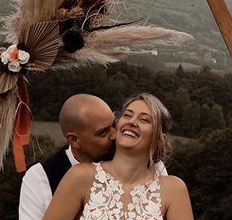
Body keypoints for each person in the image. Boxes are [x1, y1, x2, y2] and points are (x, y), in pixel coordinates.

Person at [42, 93, 193, 220]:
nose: (132, 122)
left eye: (144, 119)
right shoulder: (80, 176)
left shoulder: (174, 190)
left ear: (160, 139)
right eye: (127, 115)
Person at [19, 94, 117, 220]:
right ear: (74, 139)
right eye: (103, 132)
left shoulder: (128, 161)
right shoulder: (41, 177)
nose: (114, 135)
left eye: (114, 124)